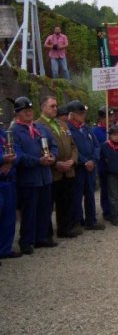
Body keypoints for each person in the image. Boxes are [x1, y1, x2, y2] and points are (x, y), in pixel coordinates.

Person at [12, 96, 58, 254]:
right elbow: (18, 156)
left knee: (45, 209)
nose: (28, 113)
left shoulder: (40, 128)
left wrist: (52, 155)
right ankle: (26, 241)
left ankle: (41, 238)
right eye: (25, 111)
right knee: (29, 212)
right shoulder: (15, 132)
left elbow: (53, 145)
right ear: (18, 113)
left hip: (45, 176)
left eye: (30, 110)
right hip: (29, 179)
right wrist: (37, 161)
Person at [36, 96, 79, 239]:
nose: (55, 108)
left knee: (66, 202)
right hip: (53, 172)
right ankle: (46, 233)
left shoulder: (62, 124)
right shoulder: (38, 126)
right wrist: (56, 163)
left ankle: (64, 228)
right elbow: (40, 150)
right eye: (52, 106)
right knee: (48, 204)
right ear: (42, 107)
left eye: (56, 106)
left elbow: (73, 145)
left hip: (68, 171)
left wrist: (72, 160)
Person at [67, 100, 105, 230]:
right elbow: (72, 148)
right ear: (72, 115)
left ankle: (91, 220)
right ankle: (78, 220)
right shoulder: (67, 129)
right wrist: (84, 161)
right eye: (80, 114)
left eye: (83, 113)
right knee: (77, 195)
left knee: (90, 194)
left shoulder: (86, 127)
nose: (83, 116)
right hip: (78, 167)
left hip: (90, 166)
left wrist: (93, 160)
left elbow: (96, 145)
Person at [0, 126, 20, 259]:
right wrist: (2, 160)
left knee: (8, 217)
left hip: (9, 180)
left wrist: (12, 160)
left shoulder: (3, 133)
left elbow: (16, 149)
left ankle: (5, 249)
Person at [92, 106, 115, 222]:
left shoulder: (114, 129)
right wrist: (104, 146)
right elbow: (94, 147)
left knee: (115, 188)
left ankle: (116, 209)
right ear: (101, 118)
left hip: (115, 164)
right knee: (105, 188)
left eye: (111, 116)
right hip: (103, 164)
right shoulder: (95, 131)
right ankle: (107, 210)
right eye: (107, 117)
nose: (110, 119)